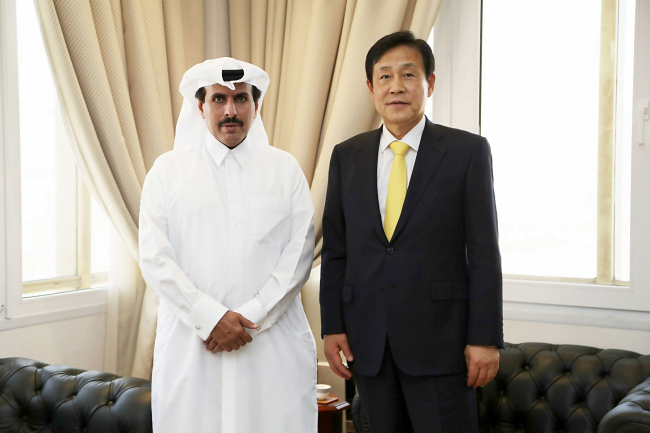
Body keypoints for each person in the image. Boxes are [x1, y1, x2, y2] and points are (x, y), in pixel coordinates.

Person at [320, 31, 503, 432]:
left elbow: (484, 252)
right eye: (384, 77)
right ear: (371, 88)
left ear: (429, 83)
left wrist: (486, 338)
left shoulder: (466, 152)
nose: (396, 86)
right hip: (369, 344)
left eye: (408, 74)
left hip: (442, 344)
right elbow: (336, 250)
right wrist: (332, 325)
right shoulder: (346, 155)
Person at [139, 58, 317, 433]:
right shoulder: (167, 172)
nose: (231, 111)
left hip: (271, 345)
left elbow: (298, 253)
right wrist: (211, 318)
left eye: (241, 99)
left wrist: (250, 317)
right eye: (219, 99)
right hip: (193, 345)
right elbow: (155, 258)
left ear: (255, 106)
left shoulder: (286, 170)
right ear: (200, 107)